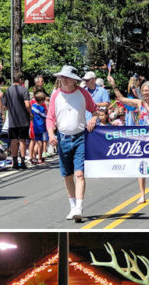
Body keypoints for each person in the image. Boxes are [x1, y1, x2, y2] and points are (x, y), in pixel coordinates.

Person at [47, 65, 98, 222]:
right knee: (67, 175)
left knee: (79, 174)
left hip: (80, 137)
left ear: (74, 80)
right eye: (61, 77)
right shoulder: (56, 95)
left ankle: (79, 208)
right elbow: (50, 118)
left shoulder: (83, 94)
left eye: (66, 77)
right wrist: (50, 134)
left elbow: (94, 110)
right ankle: (72, 206)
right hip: (63, 139)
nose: (62, 80)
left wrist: (93, 119)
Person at [108, 75, 149, 203]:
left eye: (147, 90)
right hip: (141, 139)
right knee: (141, 166)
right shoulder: (139, 103)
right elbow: (121, 99)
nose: (145, 93)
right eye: (143, 91)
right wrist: (113, 85)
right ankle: (142, 195)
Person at [5, 72, 32, 170]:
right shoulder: (24, 90)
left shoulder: (8, 90)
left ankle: (15, 162)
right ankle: (23, 161)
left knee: (13, 140)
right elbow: (27, 105)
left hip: (12, 119)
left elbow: (6, 106)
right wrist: (30, 113)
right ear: (20, 79)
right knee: (22, 140)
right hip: (23, 119)